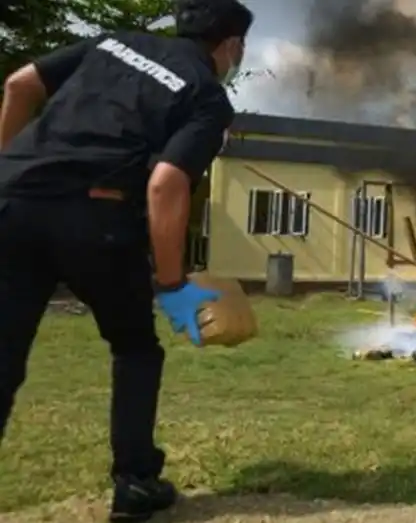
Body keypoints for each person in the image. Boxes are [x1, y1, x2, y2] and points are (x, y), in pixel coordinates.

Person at [0, 0, 253, 520]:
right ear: (230, 45)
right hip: (98, 219)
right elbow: (165, 185)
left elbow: (19, 85)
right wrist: (172, 286)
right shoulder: (207, 96)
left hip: (14, 209)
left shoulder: (113, 41)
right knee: (135, 348)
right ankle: (135, 483)